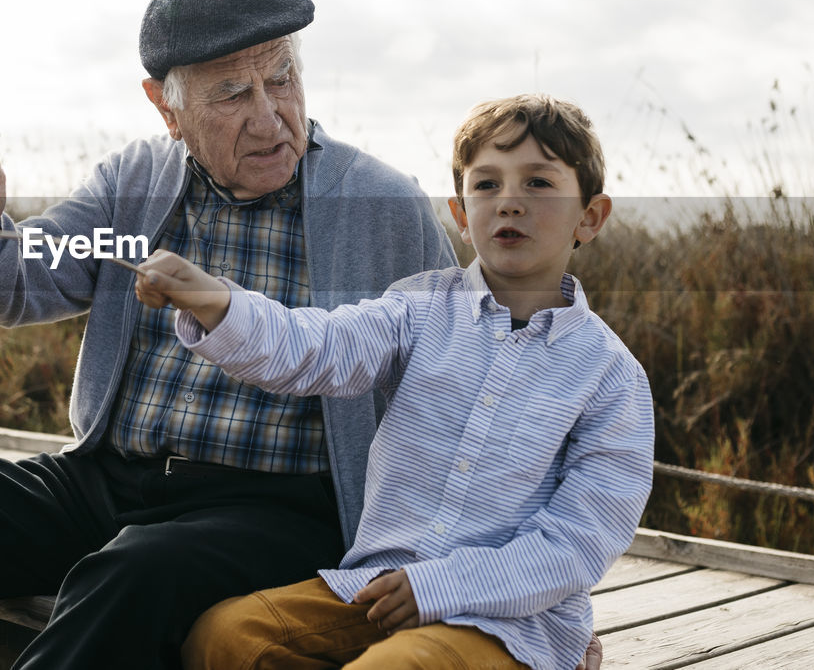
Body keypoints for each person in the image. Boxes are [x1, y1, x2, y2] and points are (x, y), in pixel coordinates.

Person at [0, 0, 459, 669]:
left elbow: (462, 378)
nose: (269, 116)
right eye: (232, 92)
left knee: (133, 571)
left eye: (282, 78)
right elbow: (23, 274)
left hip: (281, 510)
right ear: (166, 108)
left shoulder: (384, 207)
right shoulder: (132, 184)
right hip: (107, 482)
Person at [134, 94, 654, 670]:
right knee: (225, 637)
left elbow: (576, 545)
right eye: (486, 185)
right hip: (373, 592)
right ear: (460, 214)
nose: (509, 201)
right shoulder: (417, 308)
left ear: (591, 216)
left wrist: (439, 587)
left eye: (538, 184)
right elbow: (317, 347)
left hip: (506, 622)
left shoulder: (611, 377)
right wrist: (213, 299)